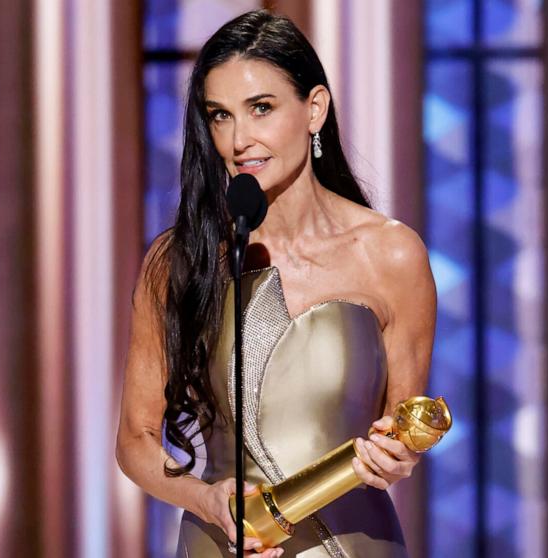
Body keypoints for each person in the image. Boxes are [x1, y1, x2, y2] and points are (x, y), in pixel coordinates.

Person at [116, 10, 436, 558]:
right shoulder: (181, 260)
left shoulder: (392, 254)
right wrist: (205, 499)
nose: (240, 139)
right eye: (221, 116)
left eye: (261, 108)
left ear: (314, 108)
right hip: (222, 542)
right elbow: (135, 442)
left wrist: (399, 456)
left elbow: (402, 425)